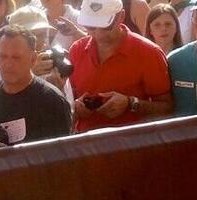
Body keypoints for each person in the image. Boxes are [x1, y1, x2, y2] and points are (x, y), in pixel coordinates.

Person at [0, 24, 70, 152]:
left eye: (16, 58)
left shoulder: (52, 101)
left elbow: (62, 158)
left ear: (33, 59)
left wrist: (11, 155)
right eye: (3, 56)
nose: (8, 64)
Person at [69, 0, 172, 133]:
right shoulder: (76, 50)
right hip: (85, 145)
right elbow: (69, 101)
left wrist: (131, 103)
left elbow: (167, 108)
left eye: (105, 26)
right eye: (91, 26)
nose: (98, 33)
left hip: (133, 146)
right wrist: (75, 107)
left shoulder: (149, 52)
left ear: (121, 16)